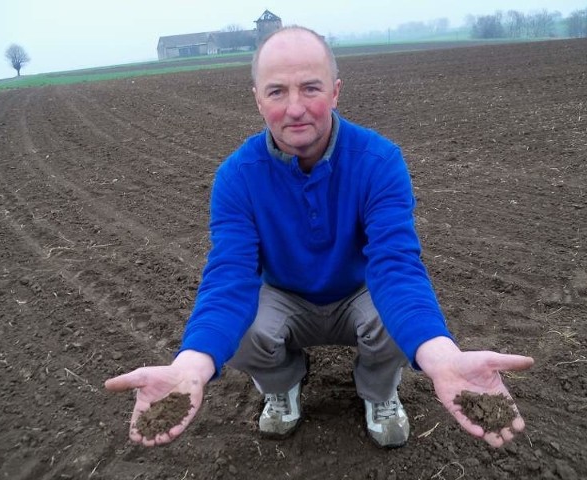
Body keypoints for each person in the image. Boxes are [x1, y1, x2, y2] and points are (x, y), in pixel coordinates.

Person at [105, 26, 534, 449]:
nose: (295, 108)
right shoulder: (237, 177)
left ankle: (379, 391)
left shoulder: (379, 161)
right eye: (277, 92)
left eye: (310, 88)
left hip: (358, 293)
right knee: (238, 329)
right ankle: (282, 384)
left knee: (395, 317)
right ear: (257, 98)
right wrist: (193, 364)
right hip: (284, 297)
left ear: (335, 92)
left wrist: (442, 358)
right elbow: (229, 277)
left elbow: (395, 265)